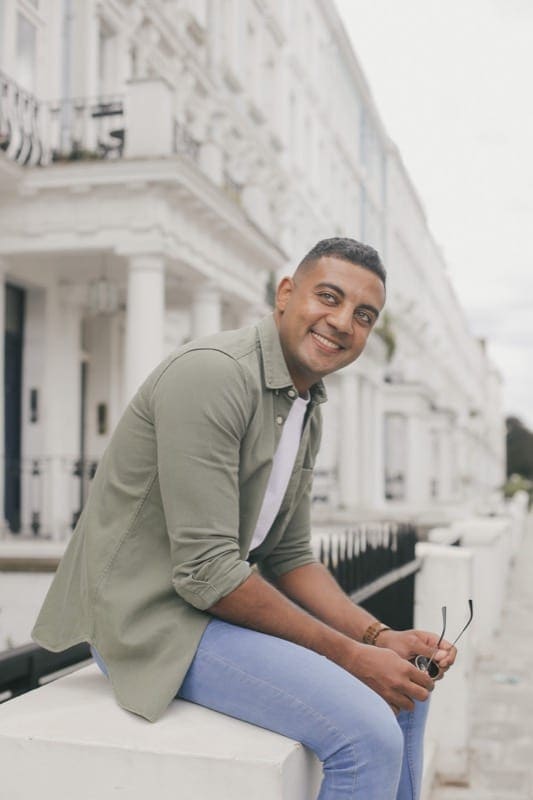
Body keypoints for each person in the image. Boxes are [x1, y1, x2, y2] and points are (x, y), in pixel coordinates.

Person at [33, 237, 456, 800]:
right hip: (151, 623)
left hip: (212, 613)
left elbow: (291, 556)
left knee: (406, 694)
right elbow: (207, 571)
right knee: (369, 736)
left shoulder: (305, 405)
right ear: (286, 294)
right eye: (328, 297)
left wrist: (379, 637)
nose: (342, 322)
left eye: (363, 315)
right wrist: (354, 656)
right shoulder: (213, 374)